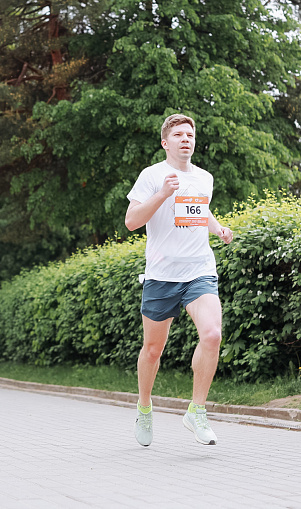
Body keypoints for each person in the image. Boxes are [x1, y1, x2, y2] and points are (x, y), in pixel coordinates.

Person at [125, 114, 233, 446]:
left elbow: (199, 210)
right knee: (153, 350)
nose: (185, 139)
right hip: (161, 276)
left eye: (190, 134)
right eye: (178, 134)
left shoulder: (205, 178)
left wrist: (218, 228)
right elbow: (131, 221)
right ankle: (145, 408)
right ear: (165, 142)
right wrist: (161, 194)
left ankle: (196, 410)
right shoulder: (152, 176)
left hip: (199, 270)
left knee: (212, 334)